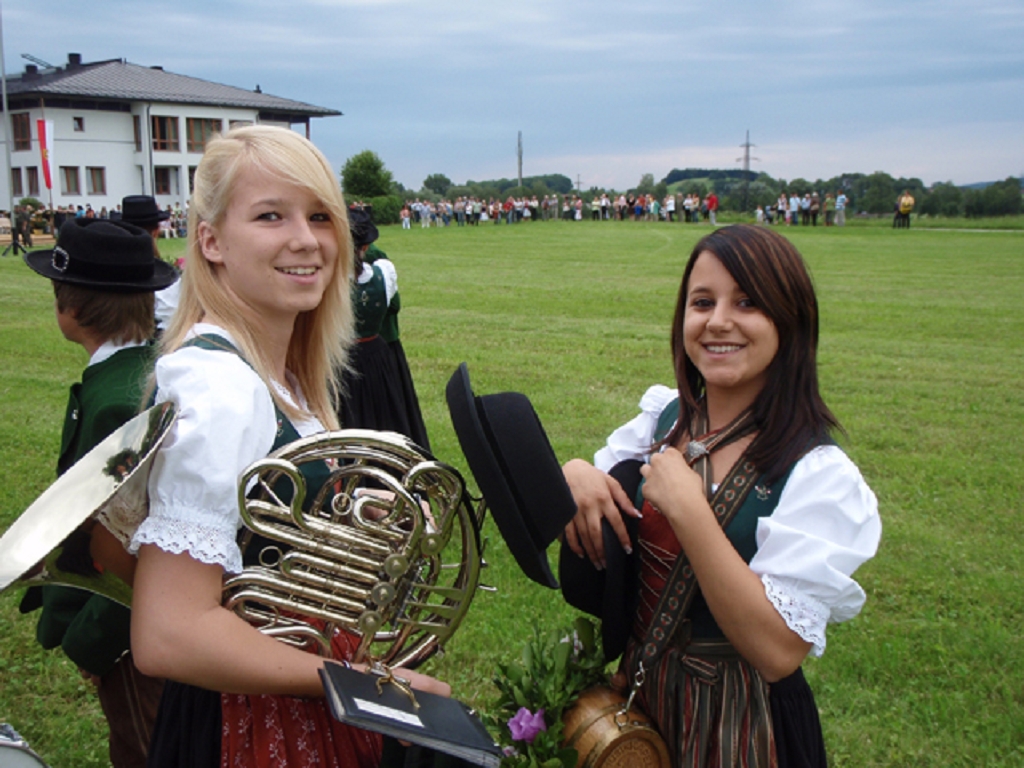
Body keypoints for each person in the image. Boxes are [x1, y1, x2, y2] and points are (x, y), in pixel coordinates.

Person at [124, 125, 448, 768]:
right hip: (249, 724)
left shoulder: (278, 373)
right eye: (271, 216)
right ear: (211, 241)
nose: (306, 239)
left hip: (296, 694)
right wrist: (355, 684)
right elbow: (168, 633)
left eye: (320, 216)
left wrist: (345, 521)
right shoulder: (220, 387)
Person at [561, 225, 880, 767]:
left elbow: (778, 652)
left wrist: (690, 511)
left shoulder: (817, 473)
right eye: (702, 302)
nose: (718, 321)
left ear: (791, 319)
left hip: (741, 723)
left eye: (748, 302)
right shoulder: (663, 420)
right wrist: (575, 474)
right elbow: (599, 489)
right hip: (639, 704)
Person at [20, 217, 178, 767]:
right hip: (146, 626)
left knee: (143, 746)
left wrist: (96, 642)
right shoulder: (144, 370)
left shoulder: (118, 400)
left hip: (131, 634)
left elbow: (132, 545)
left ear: (69, 307)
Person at [338, 208, 431, 451]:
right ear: (365, 246)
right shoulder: (382, 271)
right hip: (376, 354)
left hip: (342, 357)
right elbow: (394, 306)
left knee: (348, 418)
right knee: (386, 415)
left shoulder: (329, 280)